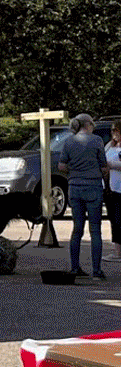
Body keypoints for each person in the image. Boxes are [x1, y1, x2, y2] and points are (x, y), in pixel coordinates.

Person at [60, 114, 109, 279]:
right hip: (93, 187)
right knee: (95, 230)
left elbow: (61, 166)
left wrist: (74, 172)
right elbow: (103, 167)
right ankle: (96, 271)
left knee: (77, 230)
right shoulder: (96, 141)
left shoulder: (68, 141)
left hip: (74, 188)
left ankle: (75, 268)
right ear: (88, 124)